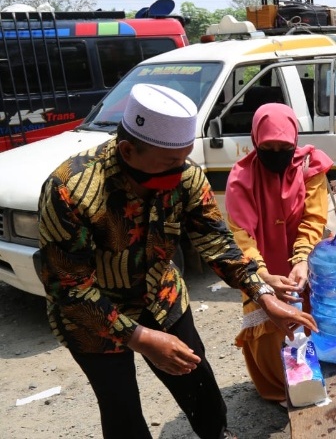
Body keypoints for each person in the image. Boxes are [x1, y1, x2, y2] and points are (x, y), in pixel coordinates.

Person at [37, 84, 317, 439]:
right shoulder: (71, 189)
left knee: (200, 387)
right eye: (170, 163)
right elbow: (68, 288)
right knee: (120, 406)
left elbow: (217, 242)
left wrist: (263, 294)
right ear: (128, 150)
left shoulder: (184, 175)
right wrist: (140, 338)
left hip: (160, 297)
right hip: (92, 317)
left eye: (184, 158)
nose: (180, 170)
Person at [224, 103, 333, 404]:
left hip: (303, 258)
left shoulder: (311, 167)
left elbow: (314, 218)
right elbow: (240, 234)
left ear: (295, 140)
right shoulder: (241, 177)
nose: (275, 153)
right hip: (260, 264)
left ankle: (308, 378)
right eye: (267, 147)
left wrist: (300, 259)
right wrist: (261, 275)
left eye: (283, 147)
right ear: (255, 141)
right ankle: (278, 387)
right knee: (266, 322)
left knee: (307, 316)